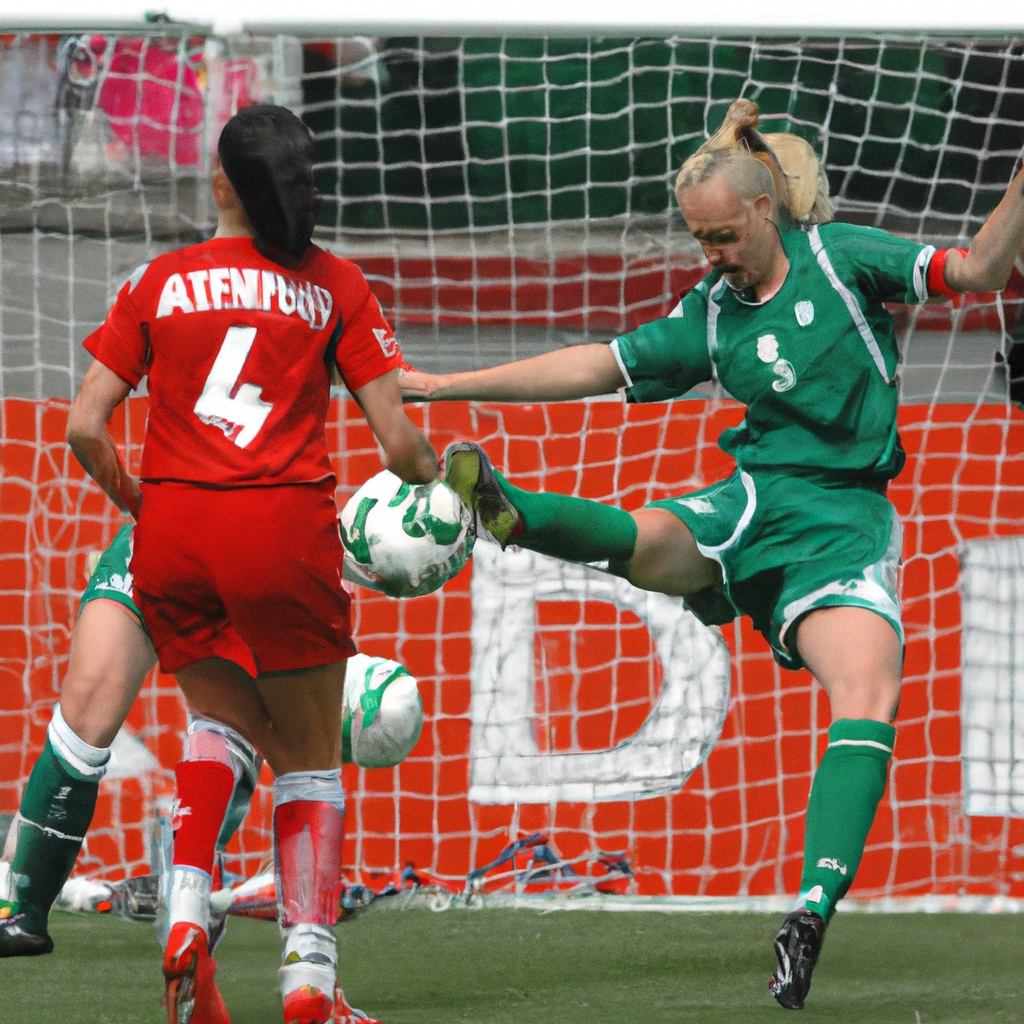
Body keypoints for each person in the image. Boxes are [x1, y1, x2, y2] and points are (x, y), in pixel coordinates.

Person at [400, 144, 1024, 1009]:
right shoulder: (713, 311)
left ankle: (809, 912)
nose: (715, 256)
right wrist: (441, 385)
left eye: (725, 236)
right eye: (701, 242)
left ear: (767, 210)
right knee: (653, 537)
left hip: (841, 522)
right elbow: (597, 363)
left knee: (867, 695)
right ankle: (511, 510)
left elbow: (982, 268)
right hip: (755, 498)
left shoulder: (842, 260)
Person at [62, 103, 437, 1024]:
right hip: (279, 531)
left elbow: (82, 425)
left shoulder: (160, 279)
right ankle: (310, 980)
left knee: (217, 725)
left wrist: (141, 506)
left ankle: (188, 912)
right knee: (308, 763)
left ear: (221, 183)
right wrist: (446, 486)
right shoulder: (336, 284)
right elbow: (397, 444)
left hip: (175, 535)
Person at [1, 524, 420, 1024]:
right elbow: (403, 457)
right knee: (288, 755)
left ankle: (25, 910)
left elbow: (85, 439)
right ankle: (308, 977)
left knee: (81, 735)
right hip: (271, 537)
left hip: (164, 532)